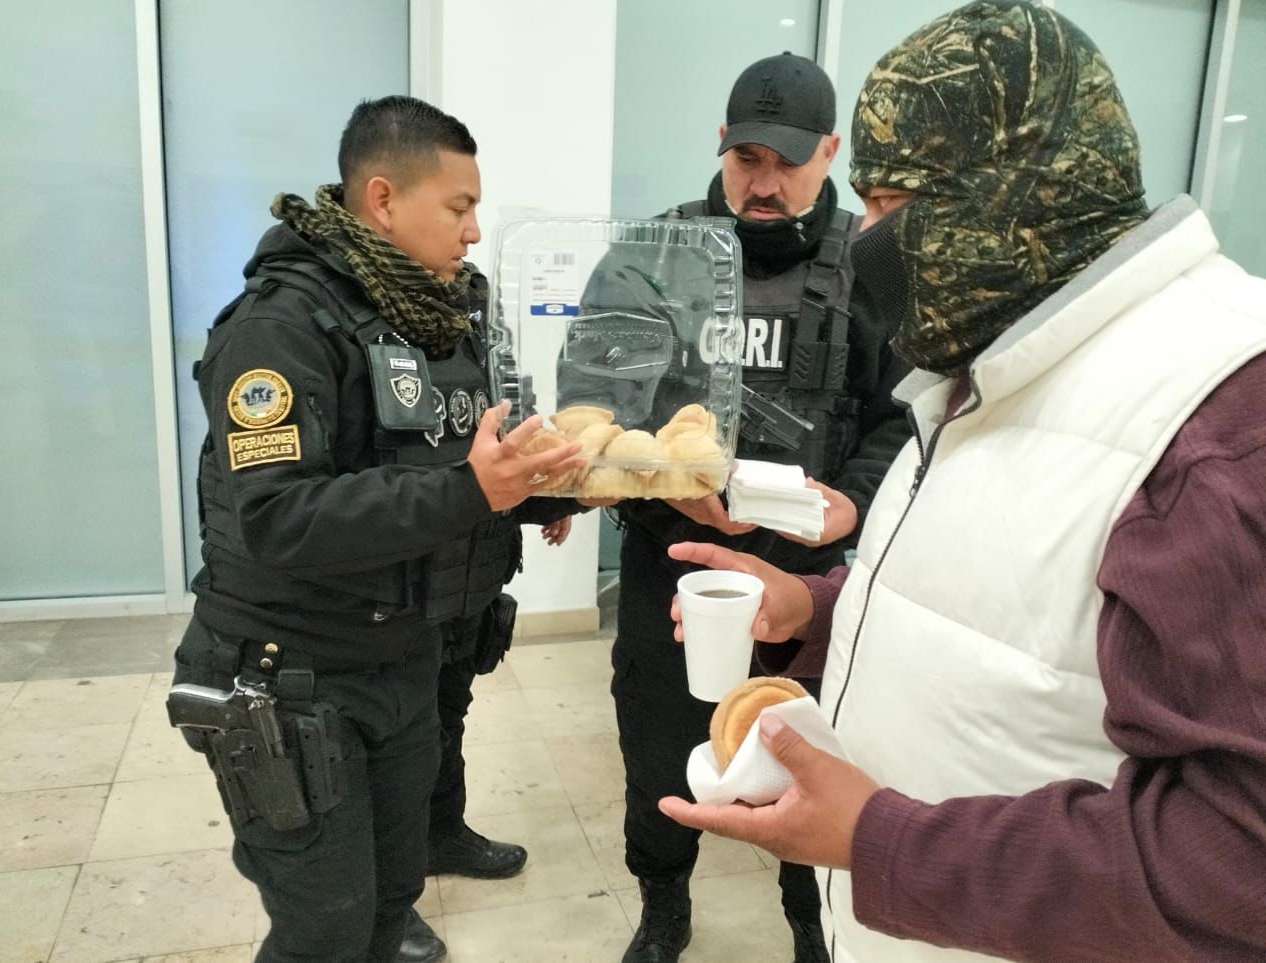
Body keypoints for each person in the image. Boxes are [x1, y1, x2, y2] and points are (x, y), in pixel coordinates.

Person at [658, 3, 1266, 961]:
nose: (869, 243)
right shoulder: (999, 357)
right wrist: (819, 608)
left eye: (895, 209)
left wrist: (883, 844)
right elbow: (1010, 600)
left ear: (1012, 198)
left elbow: (1237, 863)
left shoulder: (1216, 427)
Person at [170, 95, 583, 963]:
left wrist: (566, 487)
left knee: (393, 904)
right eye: (459, 208)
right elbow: (283, 517)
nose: (474, 234)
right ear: (385, 200)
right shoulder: (279, 328)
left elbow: (457, 467)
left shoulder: (439, 314)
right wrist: (477, 487)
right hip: (290, 680)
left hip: (402, 660)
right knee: (326, 929)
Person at [587, 53, 910, 963]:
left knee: (812, 750)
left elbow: (903, 415)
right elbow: (597, 403)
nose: (764, 185)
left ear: (831, 151)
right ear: (721, 144)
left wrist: (850, 502)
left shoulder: (873, 261)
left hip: (815, 581)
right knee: (659, 742)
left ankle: (814, 925)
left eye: (788, 163)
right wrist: (657, 477)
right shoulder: (653, 253)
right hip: (678, 567)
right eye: (748, 159)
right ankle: (663, 907)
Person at [426, 515, 572, 880]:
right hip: (405, 592)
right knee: (401, 737)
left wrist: (555, 499)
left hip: (472, 580)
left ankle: (443, 837)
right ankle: (387, 890)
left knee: (447, 718)